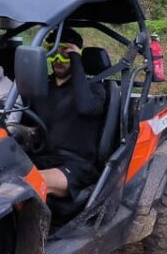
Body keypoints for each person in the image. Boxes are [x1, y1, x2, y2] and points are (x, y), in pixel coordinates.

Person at [30, 27, 108, 200]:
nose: (58, 60)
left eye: (65, 54)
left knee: (31, 183)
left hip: (77, 165)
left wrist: (76, 61)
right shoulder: (41, 86)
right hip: (43, 158)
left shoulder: (95, 89)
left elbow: (85, 107)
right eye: (54, 53)